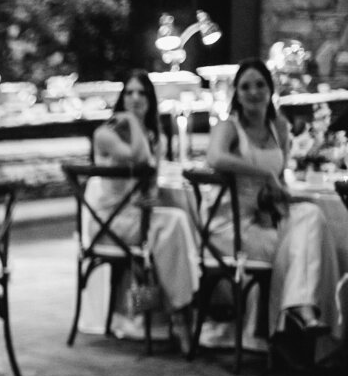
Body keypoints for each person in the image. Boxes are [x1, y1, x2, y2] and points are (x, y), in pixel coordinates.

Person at [205, 58, 341, 338]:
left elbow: (280, 176)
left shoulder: (278, 126)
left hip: (266, 217)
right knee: (300, 246)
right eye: (245, 87)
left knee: (311, 215)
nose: (253, 92)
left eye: (260, 85)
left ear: (270, 89)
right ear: (236, 93)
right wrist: (264, 174)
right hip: (231, 226)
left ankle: (300, 307)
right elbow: (215, 157)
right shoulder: (228, 127)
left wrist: (278, 195)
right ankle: (290, 317)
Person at [91, 69, 200, 350]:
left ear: (150, 100)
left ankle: (181, 309)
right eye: (129, 93)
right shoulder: (105, 134)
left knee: (179, 220)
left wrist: (151, 198)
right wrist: (131, 120)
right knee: (174, 223)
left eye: (142, 93)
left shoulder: (154, 138)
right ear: (122, 98)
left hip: (138, 216)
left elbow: (150, 182)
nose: (135, 98)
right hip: (110, 222)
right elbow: (139, 158)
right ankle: (182, 311)